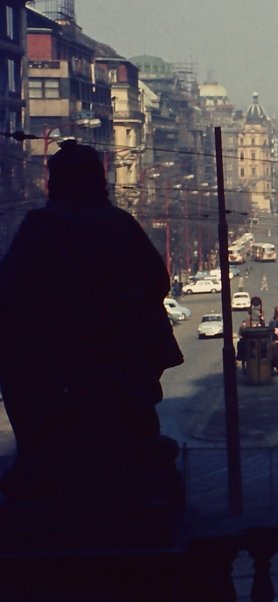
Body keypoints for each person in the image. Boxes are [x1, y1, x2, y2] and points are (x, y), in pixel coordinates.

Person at [0, 141, 184, 510]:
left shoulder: (40, 226)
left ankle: (36, 460)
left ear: (57, 183)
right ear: (99, 181)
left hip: (61, 357)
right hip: (118, 354)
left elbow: (11, 289)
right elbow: (156, 280)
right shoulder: (118, 223)